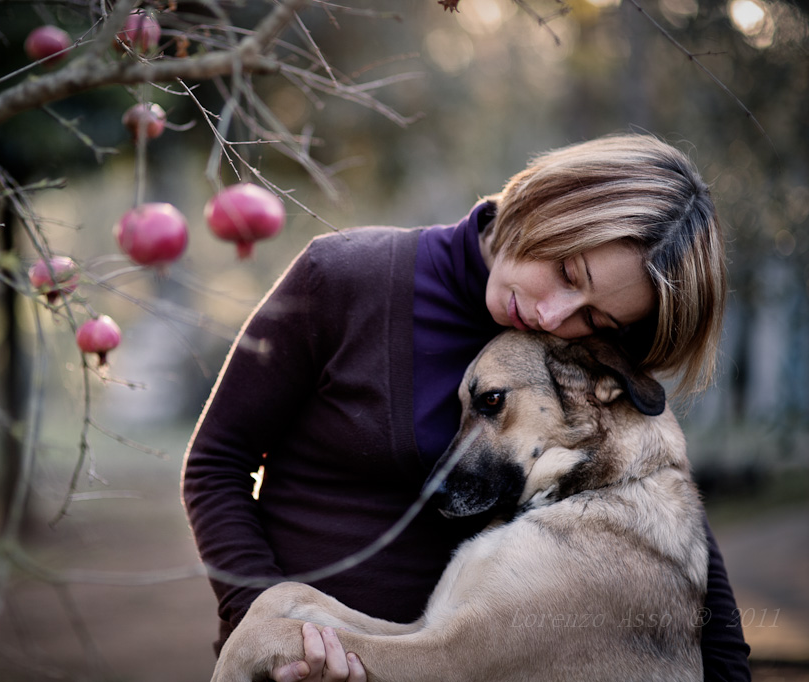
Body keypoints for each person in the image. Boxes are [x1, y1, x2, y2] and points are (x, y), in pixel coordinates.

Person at [182, 134, 751, 682]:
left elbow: (668, 515)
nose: (554, 317)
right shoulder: (344, 277)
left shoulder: (585, 360)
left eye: (596, 319)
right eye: (567, 272)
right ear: (544, 204)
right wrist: (261, 622)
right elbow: (215, 463)